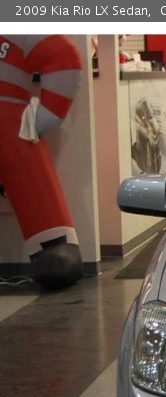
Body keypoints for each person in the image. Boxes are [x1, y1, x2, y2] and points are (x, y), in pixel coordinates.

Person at [0, 34, 83, 289]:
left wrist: (41, 117)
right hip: (11, 119)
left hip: (10, 120)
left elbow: (62, 56)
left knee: (30, 176)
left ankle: (54, 246)